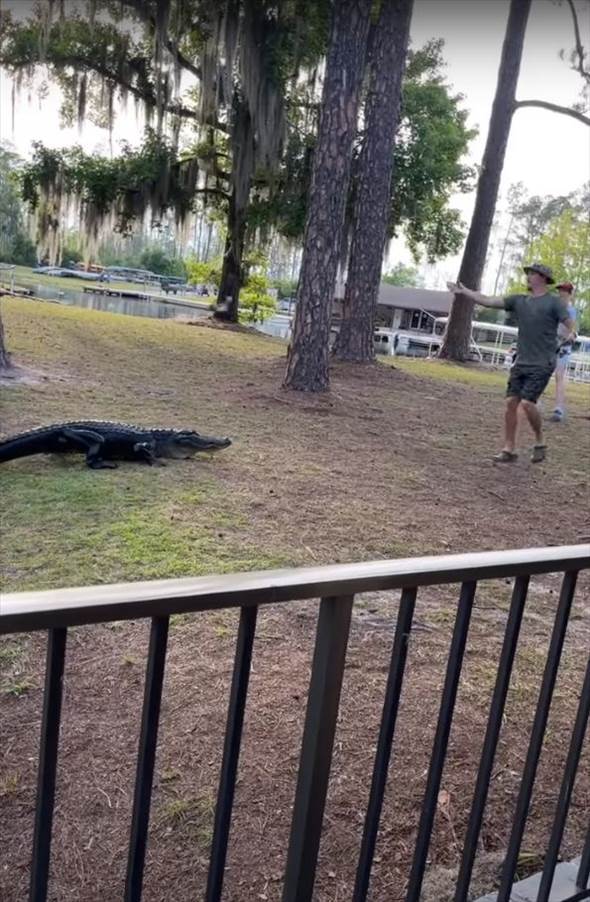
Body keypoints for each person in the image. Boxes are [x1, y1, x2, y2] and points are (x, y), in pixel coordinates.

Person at [447, 262, 575, 463]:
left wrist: (571, 333)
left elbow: (569, 324)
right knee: (510, 403)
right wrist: (465, 292)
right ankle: (509, 449)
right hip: (522, 361)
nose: (528, 276)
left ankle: (540, 440)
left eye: (531, 273)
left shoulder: (554, 303)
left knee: (526, 403)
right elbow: (488, 300)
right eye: (528, 273)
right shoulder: (519, 300)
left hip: (543, 362)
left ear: (542, 278)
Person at [551, 281, 577, 422]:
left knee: (559, 376)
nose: (561, 293)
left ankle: (559, 409)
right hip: (551, 345)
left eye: (565, 291)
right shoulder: (555, 308)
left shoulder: (570, 310)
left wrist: (569, 337)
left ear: (570, 294)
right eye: (560, 290)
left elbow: (570, 331)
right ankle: (533, 401)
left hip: (562, 348)